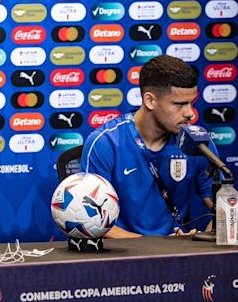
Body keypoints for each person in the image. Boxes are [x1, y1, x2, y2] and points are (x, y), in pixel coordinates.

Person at [80, 55, 216, 238]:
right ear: (150, 100)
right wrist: (157, 246)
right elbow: (92, 221)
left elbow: (225, 207)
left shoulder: (197, 142)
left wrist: (208, 238)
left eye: (191, 103)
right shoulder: (106, 143)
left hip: (179, 255)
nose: (190, 113)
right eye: (179, 104)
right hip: (122, 256)